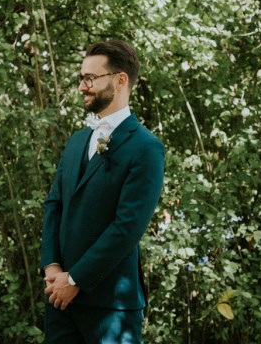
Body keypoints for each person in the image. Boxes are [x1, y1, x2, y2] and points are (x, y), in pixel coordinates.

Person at [41, 40, 165, 343]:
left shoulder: (146, 148)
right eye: (81, 78)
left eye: (90, 78)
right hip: (60, 301)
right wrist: (52, 267)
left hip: (111, 308)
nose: (83, 86)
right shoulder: (77, 142)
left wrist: (75, 279)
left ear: (120, 80)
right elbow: (54, 204)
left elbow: (127, 227)